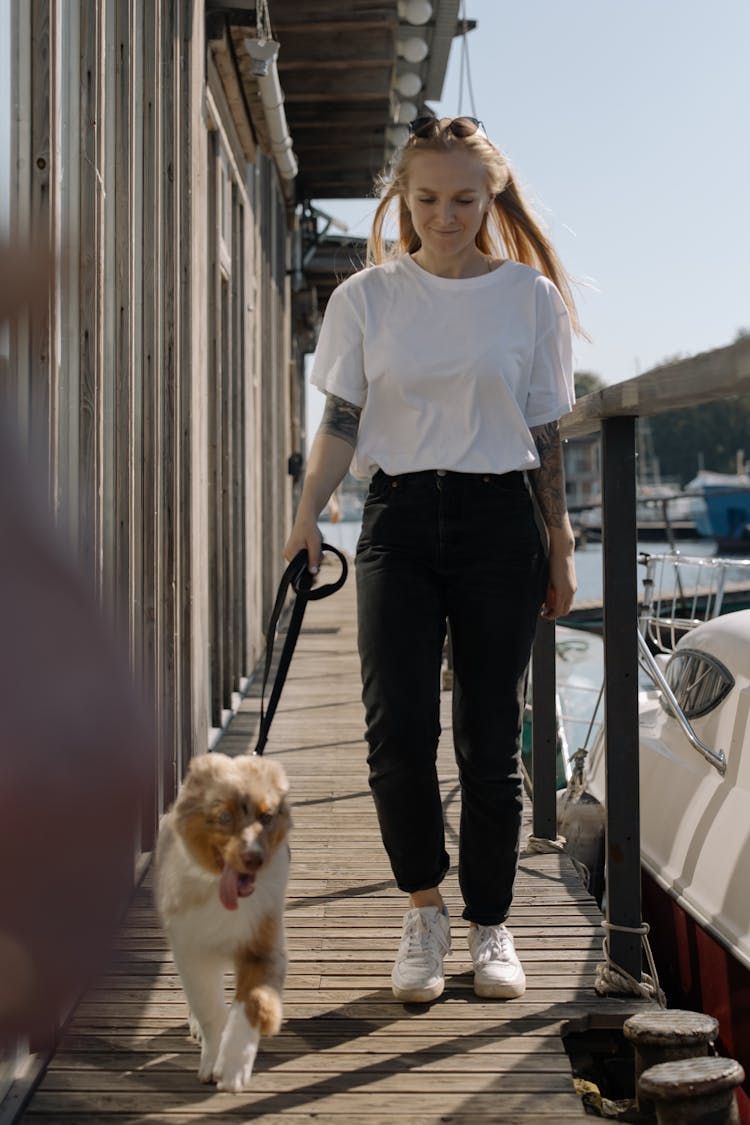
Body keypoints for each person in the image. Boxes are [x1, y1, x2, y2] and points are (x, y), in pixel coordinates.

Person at [284, 115, 579, 1004]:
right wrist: (307, 520)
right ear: (401, 199)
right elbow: (340, 421)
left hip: (501, 525)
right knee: (397, 734)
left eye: (463, 199)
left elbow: (543, 432)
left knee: (491, 740)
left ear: (489, 199)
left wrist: (560, 540)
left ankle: (493, 923)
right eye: (426, 199)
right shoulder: (366, 298)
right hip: (399, 522)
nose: (444, 216)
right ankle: (423, 908)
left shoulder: (529, 298)